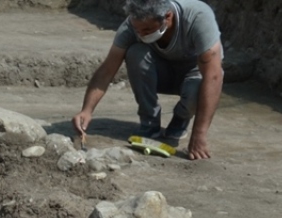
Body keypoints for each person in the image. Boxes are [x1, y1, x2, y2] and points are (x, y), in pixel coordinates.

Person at [72, 0, 224, 160]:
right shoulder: (131, 25)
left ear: (167, 17)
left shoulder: (198, 18)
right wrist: (86, 110)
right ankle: (150, 123)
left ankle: (181, 119)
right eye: (137, 30)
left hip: (192, 74)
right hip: (160, 74)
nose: (141, 34)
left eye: (147, 30)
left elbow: (214, 76)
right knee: (136, 53)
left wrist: (199, 134)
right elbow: (107, 70)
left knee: (197, 87)